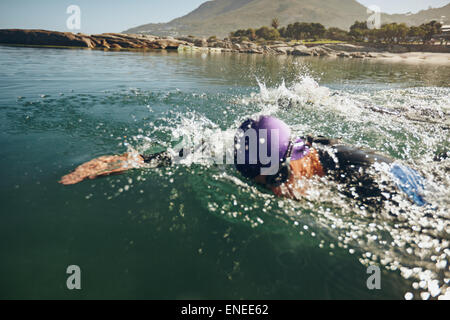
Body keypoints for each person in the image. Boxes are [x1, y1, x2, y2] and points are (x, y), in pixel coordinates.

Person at [59, 116, 428, 208]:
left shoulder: (372, 180)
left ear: (295, 159)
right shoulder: (254, 153)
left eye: (276, 178)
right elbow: (201, 147)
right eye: (262, 184)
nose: (275, 191)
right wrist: (134, 161)